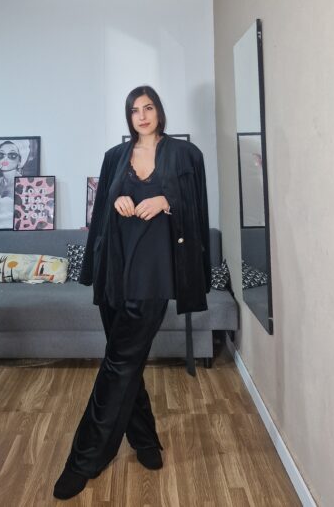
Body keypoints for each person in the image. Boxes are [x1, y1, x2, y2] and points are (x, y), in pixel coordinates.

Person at [53, 85, 211, 501]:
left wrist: (165, 200)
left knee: (117, 364)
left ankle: (83, 460)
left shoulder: (186, 155)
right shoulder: (115, 157)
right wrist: (118, 200)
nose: (142, 115)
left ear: (159, 111)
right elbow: (102, 214)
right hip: (115, 273)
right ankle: (144, 439)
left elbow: (196, 209)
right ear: (128, 117)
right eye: (134, 110)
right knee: (126, 360)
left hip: (155, 276)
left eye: (148, 107)